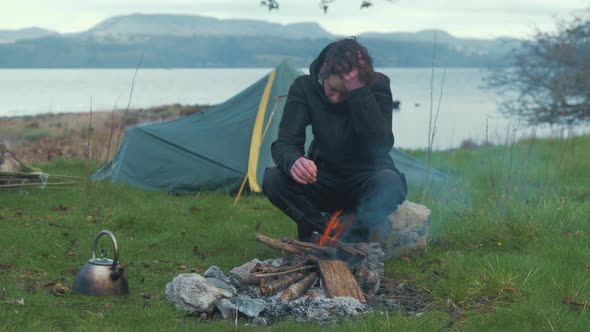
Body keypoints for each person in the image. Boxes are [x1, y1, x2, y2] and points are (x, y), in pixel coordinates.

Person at [262, 38, 407, 242]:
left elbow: (382, 145)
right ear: (323, 71)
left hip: (366, 179)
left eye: (344, 92)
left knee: (391, 183)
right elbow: (284, 143)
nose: (336, 98)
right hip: (322, 178)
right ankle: (320, 229)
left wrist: (359, 92)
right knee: (274, 179)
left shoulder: (378, 86)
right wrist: (295, 161)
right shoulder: (304, 87)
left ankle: (356, 231)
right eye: (332, 88)